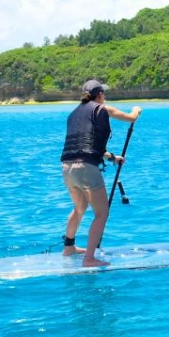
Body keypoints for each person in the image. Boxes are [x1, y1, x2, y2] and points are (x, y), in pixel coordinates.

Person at [60, 79, 142, 267]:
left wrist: (112, 157)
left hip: (67, 168)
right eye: (103, 93)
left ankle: (69, 248)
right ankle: (89, 259)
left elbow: (86, 145)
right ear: (99, 95)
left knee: (79, 208)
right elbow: (130, 118)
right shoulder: (102, 108)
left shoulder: (73, 114)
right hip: (86, 169)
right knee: (101, 213)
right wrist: (137, 110)